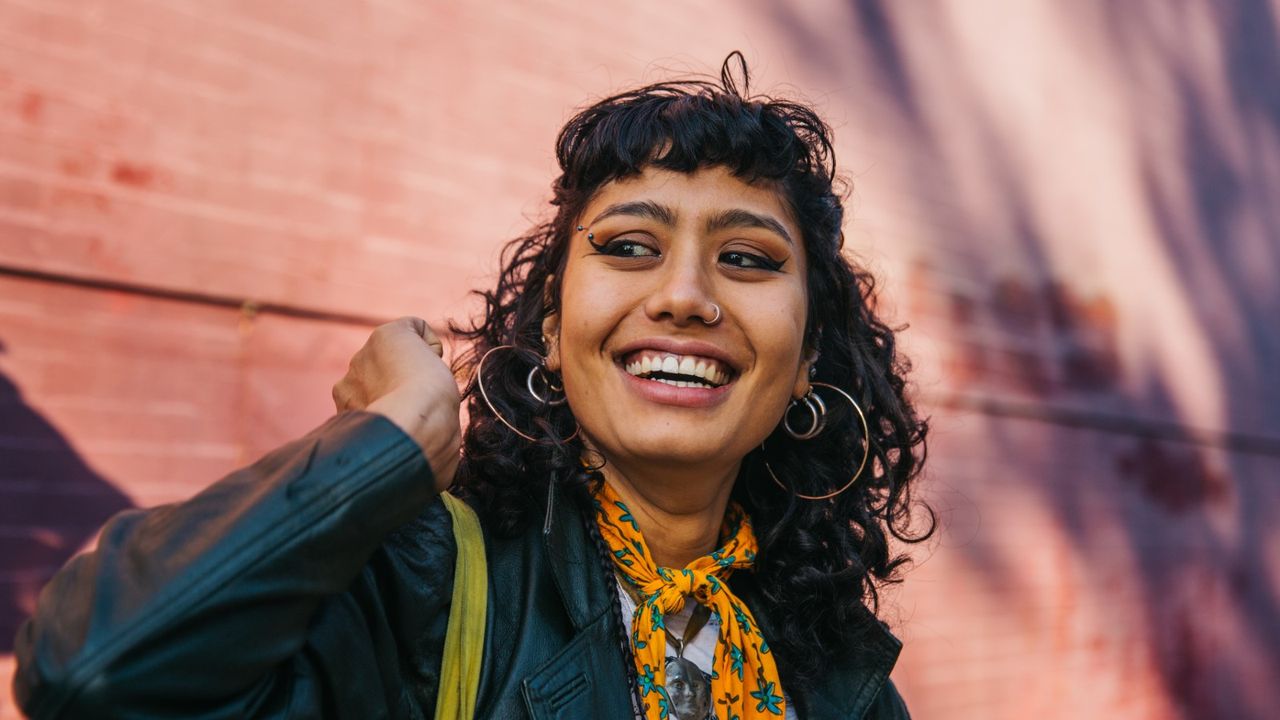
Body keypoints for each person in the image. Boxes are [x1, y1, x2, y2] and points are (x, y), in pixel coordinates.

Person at [12, 53, 931, 719]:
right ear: (548, 326)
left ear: (808, 353)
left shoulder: (835, 666)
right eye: (628, 247)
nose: (685, 297)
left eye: (745, 258)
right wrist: (389, 442)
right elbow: (93, 675)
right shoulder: (421, 583)